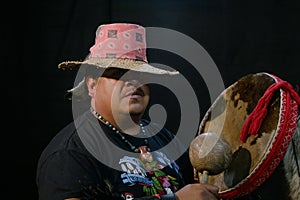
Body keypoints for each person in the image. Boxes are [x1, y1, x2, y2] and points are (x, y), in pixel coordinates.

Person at [36, 23, 219, 200]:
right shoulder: (70, 153)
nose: (133, 82)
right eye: (119, 74)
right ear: (92, 85)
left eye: (141, 75)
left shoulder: (167, 140)